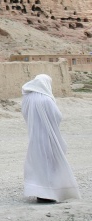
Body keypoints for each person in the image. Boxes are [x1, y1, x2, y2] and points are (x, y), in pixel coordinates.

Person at [21, 74, 81, 203]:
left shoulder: (27, 98)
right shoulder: (46, 100)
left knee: (37, 164)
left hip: (34, 136)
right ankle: (49, 193)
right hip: (48, 136)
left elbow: (25, 113)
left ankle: (39, 193)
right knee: (49, 163)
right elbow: (57, 116)